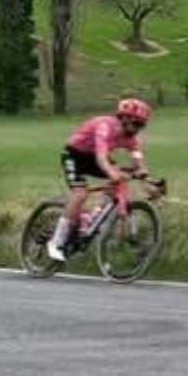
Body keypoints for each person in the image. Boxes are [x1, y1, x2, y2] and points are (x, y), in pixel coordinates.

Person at [46, 97, 156, 262]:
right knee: (80, 194)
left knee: (120, 178)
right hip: (75, 155)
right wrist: (112, 172)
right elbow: (101, 158)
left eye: (141, 125)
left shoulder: (131, 138)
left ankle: (93, 216)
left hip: (94, 157)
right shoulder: (105, 126)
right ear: (123, 119)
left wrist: (147, 181)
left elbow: (139, 161)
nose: (137, 129)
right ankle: (56, 242)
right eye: (136, 123)